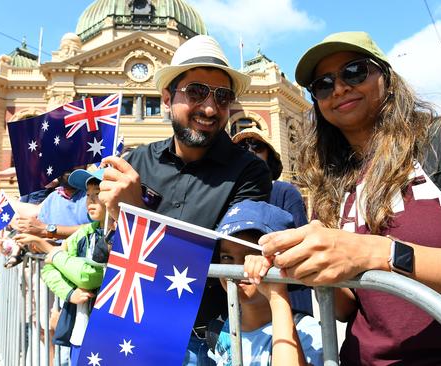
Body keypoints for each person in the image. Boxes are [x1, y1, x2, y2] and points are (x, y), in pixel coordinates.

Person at [255, 31, 441, 364]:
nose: (339, 88)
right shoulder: (330, 184)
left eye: (354, 72)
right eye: (323, 84)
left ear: (385, 76)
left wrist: (376, 252)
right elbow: (345, 307)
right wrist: (295, 264)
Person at [98, 35, 272, 365]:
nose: (209, 108)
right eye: (195, 92)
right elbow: (105, 251)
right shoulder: (136, 162)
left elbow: (231, 262)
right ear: (166, 98)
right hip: (129, 328)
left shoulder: (249, 171)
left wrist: (136, 215)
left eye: (222, 97)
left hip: (206, 344)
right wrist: (110, 221)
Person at [14, 168, 110, 366]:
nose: (90, 200)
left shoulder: (117, 235)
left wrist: (48, 248)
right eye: (89, 195)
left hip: (105, 326)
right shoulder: (85, 232)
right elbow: (48, 270)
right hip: (79, 322)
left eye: (97, 195)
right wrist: (69, 293)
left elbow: (89, 277)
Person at [210, 200, 322, 366]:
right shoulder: (223, 328)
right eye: (227, 258)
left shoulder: (306, 331)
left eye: (252, 256)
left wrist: (276, 296)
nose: (238, 269)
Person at [232, 127, 312, 315]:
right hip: (245, 308)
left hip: (289, 297)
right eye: (242, 147)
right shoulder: (229, 197)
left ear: (269, 155)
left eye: (257, 145)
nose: (250, 150)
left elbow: (303, 245)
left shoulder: (285, 192)